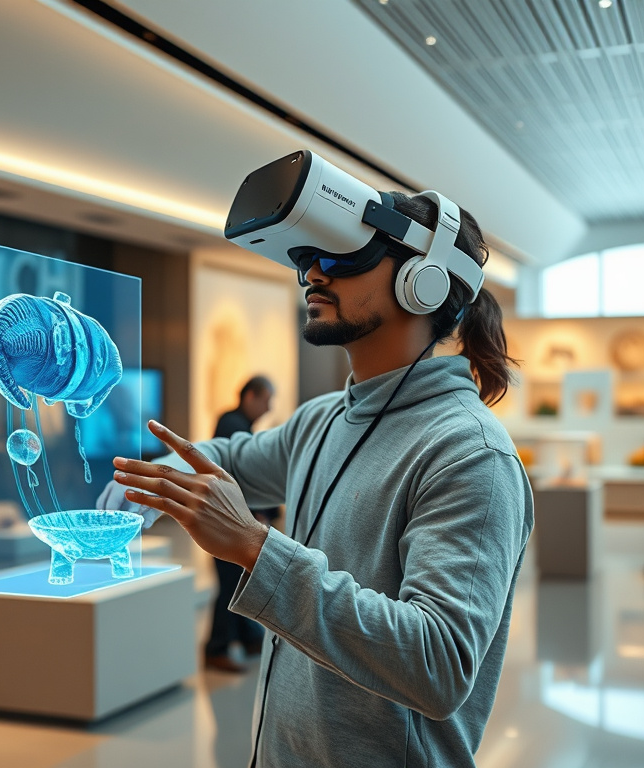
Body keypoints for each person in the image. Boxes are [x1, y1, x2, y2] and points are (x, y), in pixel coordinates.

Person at [106, 191, 533, 767]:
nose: (311, 274)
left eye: (341, 257)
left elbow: (438, 664)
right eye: (308, 258)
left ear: (423, 281)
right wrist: (155, 478)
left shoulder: (469, 455)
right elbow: (232, 457)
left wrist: (256, 548)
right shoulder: (322, 418)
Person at [206, 375, 280, 673]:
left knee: (240, 580)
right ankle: (217, 648)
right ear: (251, 396)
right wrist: (256, 512)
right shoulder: (232, 427)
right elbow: (236, 477)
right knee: (230, 583)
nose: (269, 407)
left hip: (233, 520)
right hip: (226, 521)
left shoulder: (237, 426)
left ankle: (249, 638)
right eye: (266, 400)